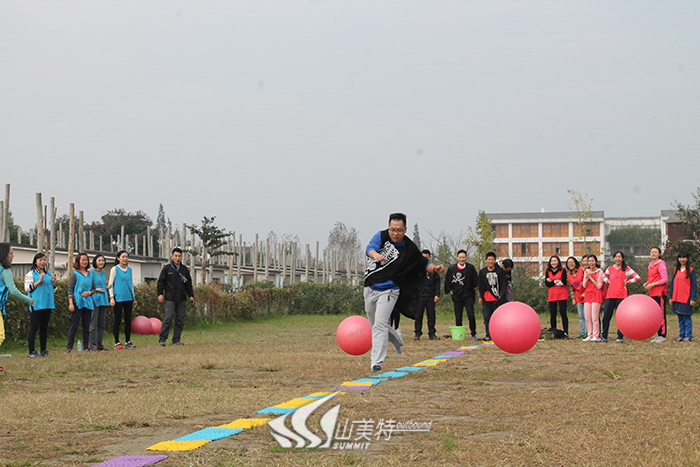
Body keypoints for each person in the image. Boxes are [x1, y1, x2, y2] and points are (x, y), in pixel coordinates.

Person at [364, 213, 445, 372]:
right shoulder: (381, 236)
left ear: (405, 229)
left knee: (380, 324)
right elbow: (370, 249)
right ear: (389, 228)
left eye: (399, 230)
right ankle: (397, 339)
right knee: (374, 324)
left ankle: (376, 360)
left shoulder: (410, 248)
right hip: (370, 286)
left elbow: (424, 263)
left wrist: (434, 268)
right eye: (393, 229)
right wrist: (376, 255)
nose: (395, 233)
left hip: (390, 289)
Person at [0, 243, 34, 371]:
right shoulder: (5, 271)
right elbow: (13, 290)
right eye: (11, 253)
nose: (13, 256)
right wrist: (28, 300)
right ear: (4, 255)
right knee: (0, 335)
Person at [157, 247, 195, 346]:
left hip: (181, 298)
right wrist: (160, 294)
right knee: (168, 318)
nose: (177, 258)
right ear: (172, 257)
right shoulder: (167, 269)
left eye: (179, 256)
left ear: (182, 257)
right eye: (176, 256)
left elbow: (188, 284)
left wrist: (191, 296)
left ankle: (176, 340)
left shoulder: (184, 270)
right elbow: (160, 282)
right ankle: (162, 339)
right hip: (170, 298)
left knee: (180, 319)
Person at [601, 251, 641, 343]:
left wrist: (629, 282)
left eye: (619, 257)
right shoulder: (610, 268)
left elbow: (637, 277)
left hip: (621, 296)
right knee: (606, 316)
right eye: (616, 257)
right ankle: (604, 336)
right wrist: (608, 281)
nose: (617, 259)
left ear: (622, 258)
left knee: (621, 317)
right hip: (610, 295)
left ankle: (620, 336)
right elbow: (604, 276)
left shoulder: (626, 269)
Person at [24, 253, 56, 357]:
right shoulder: (31, 274)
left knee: (44, 328)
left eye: (44, 260)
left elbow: (54, 289)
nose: (42, 262)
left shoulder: (49, 274)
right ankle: (31, 351)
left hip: (47, 304)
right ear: (35, 261)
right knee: (34, 328)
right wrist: (39, 281)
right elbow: (27, 288)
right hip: (36, 304)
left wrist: (54, 282)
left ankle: (44, 350)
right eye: (40, 260)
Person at [444, 249, 479, 340]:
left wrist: (474, 288)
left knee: (471, 315)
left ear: (466, 258)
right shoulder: (452, 268)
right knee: (458, 316)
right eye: (460, 257)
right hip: (457, 296)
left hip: (469, 296)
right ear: (457, 258)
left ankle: (473, 333)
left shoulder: (470, 268)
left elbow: (476, 280)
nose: (462, 259)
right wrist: (450, 290)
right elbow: (447, 280)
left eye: (463, 257)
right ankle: (459, 334)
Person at [67, 252, 95, 353]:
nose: (84, 262)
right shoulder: (75, 274)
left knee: (86, 326)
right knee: (74, 325)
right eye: (82, 260)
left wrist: (89, 293)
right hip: (77, 302)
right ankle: (69, 347)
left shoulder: (90, 274)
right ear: (78, 261)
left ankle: (86, 347)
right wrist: (71, 303)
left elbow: (94, 289)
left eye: (86, 260)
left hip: (87, 303)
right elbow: (70, 289)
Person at [477, 252, 508, 342]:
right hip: (486, 299)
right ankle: (488, 335)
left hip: (497, 299)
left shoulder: (500, 271)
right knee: (487, 318)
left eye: (492, 260)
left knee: (498, 318)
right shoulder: (482, 272)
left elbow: (503, 284)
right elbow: (480, 285)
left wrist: (502, 296)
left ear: (495, 261)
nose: (491, 261)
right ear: (486, 260)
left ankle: (498, 335)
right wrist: (480, 297)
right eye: (489, 260)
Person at [109, 250, 137, 349]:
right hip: (118, 298)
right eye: (123, 257)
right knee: (117, 320)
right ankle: (117, 342)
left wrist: (133, 298)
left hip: (128, 298)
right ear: (118, 258)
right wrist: (112, 297)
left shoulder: (129, 270)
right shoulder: (115, 269)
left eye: (126, 257)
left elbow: (130, 285)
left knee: (128, 320)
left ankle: (128, 341)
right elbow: (110, 284)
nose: (125, 259)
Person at [413, 249, 440, 341]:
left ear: (429, 257)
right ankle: (417, 334)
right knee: (418, 316)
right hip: (420, 296)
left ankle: (432, 334)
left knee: (431, 316)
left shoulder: (434, 269)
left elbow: (437, 283)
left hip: (431, 296)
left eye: (426, 257)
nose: (425, 259)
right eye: (423, 257)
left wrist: (437, 295)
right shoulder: (416, 269)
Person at [669, 252, 696, 342]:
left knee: (686, 318)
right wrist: (671, 297)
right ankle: (681, 334)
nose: (682, 259)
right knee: (680, 318)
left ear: (687, 259)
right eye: (680, 257)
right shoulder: (676, 270)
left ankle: (688, 335)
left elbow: (694, 285)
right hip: (677, 298)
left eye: (684, 257)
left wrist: (693, 298)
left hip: (686, 298)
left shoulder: (691, 271)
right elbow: (672, 285)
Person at [644, 247, 669, 343]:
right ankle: (658, 334)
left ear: (659, 254)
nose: (653, 254)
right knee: (655, 314)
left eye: (655, 252)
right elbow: (651, 278)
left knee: (661, 313)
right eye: (651, 252)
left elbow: (664, 279)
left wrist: (653, 284)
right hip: (652, 292)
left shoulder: (661, 264)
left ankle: (662, 335)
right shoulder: (650, 265)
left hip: (660, 292)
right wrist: (647, 283)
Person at [89, 254, 109, 351]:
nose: (101, 262)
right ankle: (92, 345)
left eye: (103, 260)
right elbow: (89, 286)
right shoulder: (91, 272)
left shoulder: (104, 273)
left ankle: (100, 344)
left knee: (101, 324)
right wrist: (96, 289)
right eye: (99, 260)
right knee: (93, 323)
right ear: (95, 262)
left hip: (103, 300)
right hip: (94, 299)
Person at [545, 255, 569, 338]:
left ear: (558, 262)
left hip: (562, 294)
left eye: (555, 261)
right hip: (552, 295)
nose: (553, 263)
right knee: (553, 313)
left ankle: (566, 332)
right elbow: (547, 284)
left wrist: (552, 281)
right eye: (552, 261)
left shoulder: (562, 270)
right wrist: (556, 281)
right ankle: (553, 331)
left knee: (563, 313)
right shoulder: (548, 271)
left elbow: (563, 282)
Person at [582, 254, 604, 342]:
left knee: (594, 317)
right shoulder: (586, 271)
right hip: (588, 295)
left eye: (592, 261)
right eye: (589, 261)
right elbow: (584, 285)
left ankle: (596, 335)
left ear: (596, 262)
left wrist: (591, 278)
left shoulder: (600, 271)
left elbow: (599, 286)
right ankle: (589, 334)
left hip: (596, 295)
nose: (591, 263)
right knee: (587, 317)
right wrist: (587, 278)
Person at [567, 256, 587, 339]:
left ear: (575, 263)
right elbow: (571, 287)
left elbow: (588, 281)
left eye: (572, 262)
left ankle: (589, 332)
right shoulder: (568, 274)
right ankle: (582, 333)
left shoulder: (582, 270)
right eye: (568, 263)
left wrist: (585, 292)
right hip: (578, 296)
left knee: (587, 315)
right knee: (581, 316)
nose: (570, 264)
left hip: (586, 295)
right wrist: (573, 298)